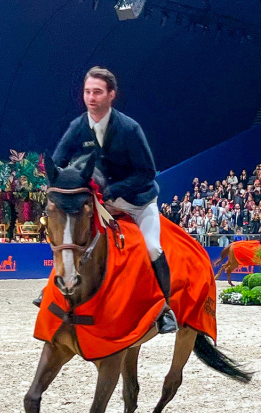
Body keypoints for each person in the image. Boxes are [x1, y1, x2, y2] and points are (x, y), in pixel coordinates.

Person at [41, 66, 176, 334]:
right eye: (87, 92)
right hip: (100, 204)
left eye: (98, 92)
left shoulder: (128, 128)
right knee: (73, 238)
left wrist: (114, 190)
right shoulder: (78, 126)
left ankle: (165, 308)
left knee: (151, 248)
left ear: (112, 95)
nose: (91, 97)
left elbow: (147, 173)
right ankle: (53, 291)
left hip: (137, 201)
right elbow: (57, 162)